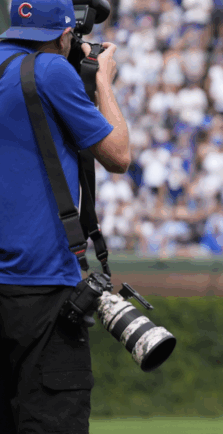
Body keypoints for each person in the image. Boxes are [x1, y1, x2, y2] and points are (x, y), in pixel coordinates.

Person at [0, 0, 130, 432]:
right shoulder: (51, 71)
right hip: (41, 283)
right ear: (64, 34)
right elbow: (118, 156)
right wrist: (103, 81)